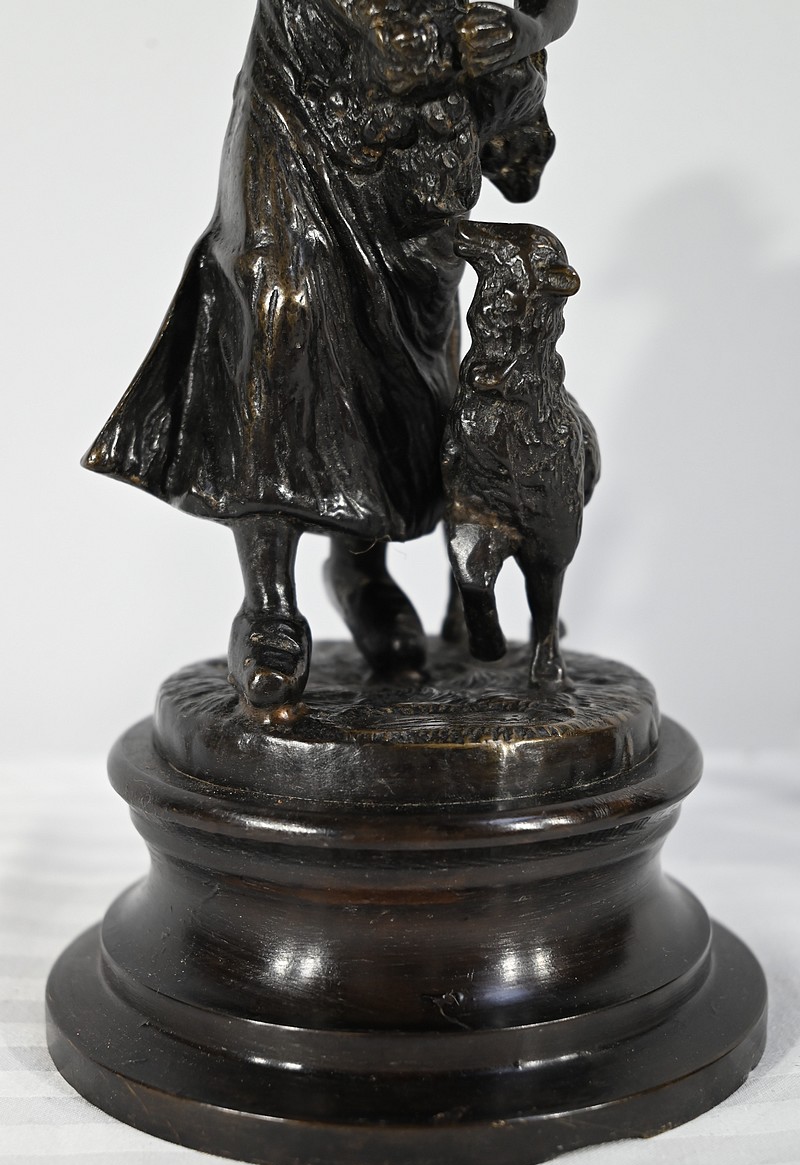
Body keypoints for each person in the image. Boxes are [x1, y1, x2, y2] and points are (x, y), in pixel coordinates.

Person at [83, 0, 579, 710]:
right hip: (303, 93)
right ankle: (269, 607)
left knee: (400, 367)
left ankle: (360, 566)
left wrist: (527, 32)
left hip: (416, 144)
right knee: (281, 312)